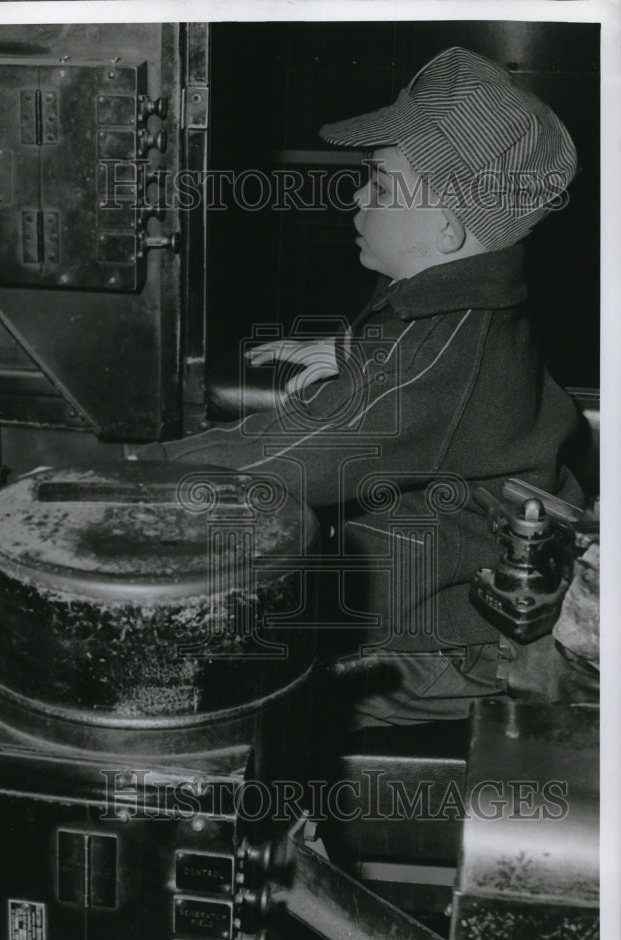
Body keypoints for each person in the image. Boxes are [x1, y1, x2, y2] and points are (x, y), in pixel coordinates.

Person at [133, 47, 585, 727]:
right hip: (454, 580)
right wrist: (348, 351)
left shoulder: (438, 358)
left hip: (447, 643)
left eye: (378, 180)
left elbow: (293, 455)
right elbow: (411, 380)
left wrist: (131, 478)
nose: (355, 195)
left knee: (235, 705)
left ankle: (297, 825)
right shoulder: (459, 310)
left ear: (444, 225)